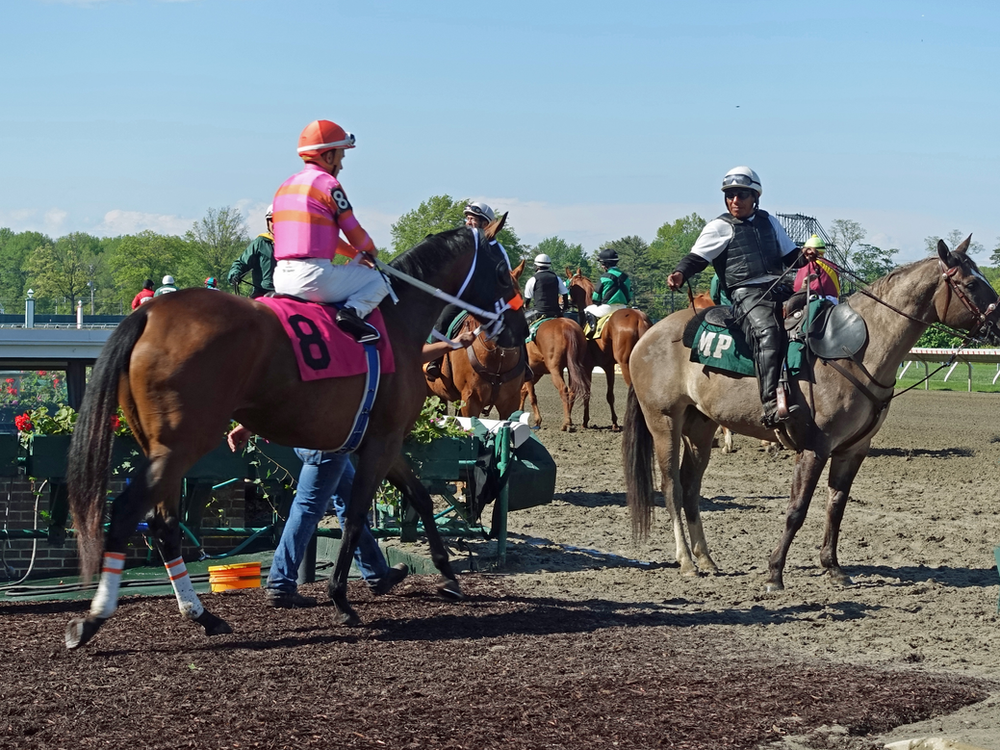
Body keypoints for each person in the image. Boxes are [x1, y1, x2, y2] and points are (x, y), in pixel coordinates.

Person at [666, 166, 819, 428]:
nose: (734, 200)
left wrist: (803, 256)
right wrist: (680, 272)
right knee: (768, 333)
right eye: (730, 195)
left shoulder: (769, 222)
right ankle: (771, 403)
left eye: (741, 195)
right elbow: (697, 257)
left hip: (779, 287)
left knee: (819, 315)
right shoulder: (719, 227)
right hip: (745, 294)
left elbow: (788, 256)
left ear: (755, 197)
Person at [271, 119, 388, 343]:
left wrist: (354, 255)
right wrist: (370, 252)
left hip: (281, 278)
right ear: (328, 156)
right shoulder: (328, 184)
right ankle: (352, 315)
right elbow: (353, 231)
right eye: (341, 157)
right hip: (313, 277)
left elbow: (327, 239)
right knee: (378, 280)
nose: (341, 166)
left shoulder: (285, 186)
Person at [425, 201, 511, 379]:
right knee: (442, 321)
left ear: (485, 224)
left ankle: (523, 366)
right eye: (467, 219)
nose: (467, 222)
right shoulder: (461, 244)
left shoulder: (498, 249)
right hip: (461, 298)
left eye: (472, 219)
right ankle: (435, 362)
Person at [228, 205, 276, 298]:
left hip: (288, 293)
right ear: (267, 222)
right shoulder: (260, 243)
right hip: (262, 293)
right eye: (271, 220)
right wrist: (235, 273)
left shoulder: (292, 243)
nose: (274, 223)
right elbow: (242, 262)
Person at [583, 248, 633, 330]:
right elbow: (630, 295)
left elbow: (596, 297)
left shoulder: (604, 277)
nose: (602, 266)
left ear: (605, 264)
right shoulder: (626, 277)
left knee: (587, 309)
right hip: (623, 308)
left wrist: (598, 303)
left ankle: (592, 331)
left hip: (607, 308)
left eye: (602, 263)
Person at [793, 234, 840, 305]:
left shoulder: (804, 266)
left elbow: (797, 288)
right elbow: (837, 289)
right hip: (833, 301)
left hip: (812, 300)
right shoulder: (833, 266)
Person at [523, 253, 568, 324]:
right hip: (556, 312)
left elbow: (528, 298)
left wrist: (526, 306)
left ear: (537, 266)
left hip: (539, 312)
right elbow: (565, 294)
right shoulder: (557, 278)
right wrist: (565, 308)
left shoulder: (533, 279)